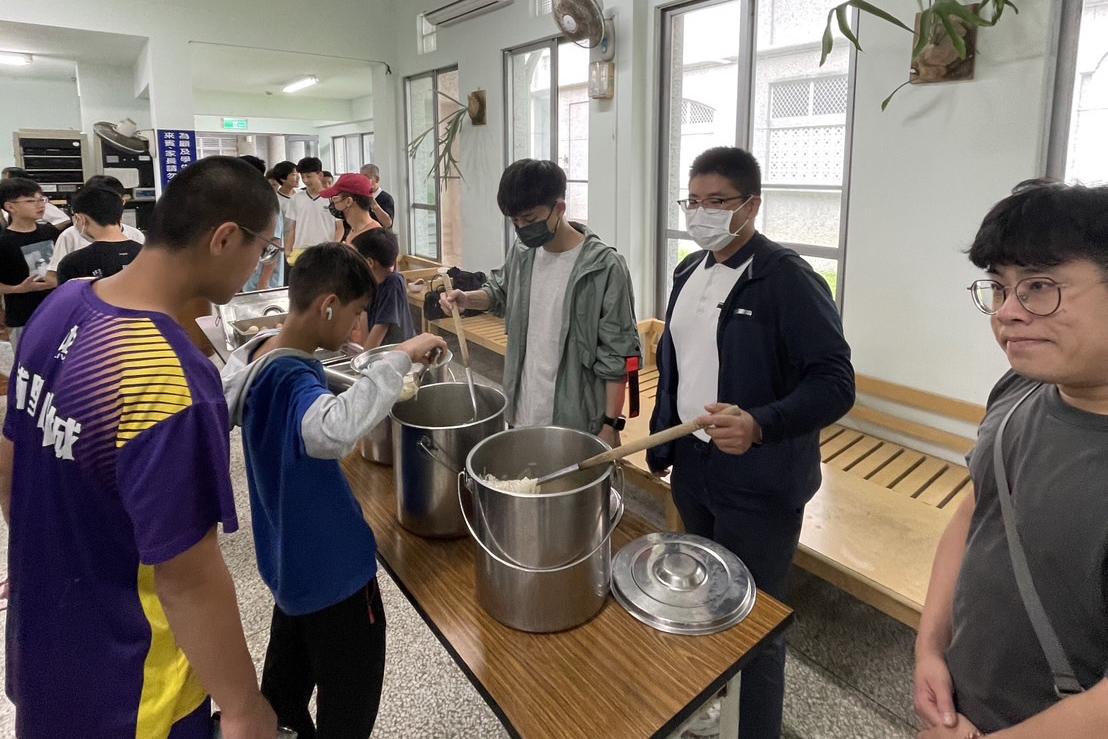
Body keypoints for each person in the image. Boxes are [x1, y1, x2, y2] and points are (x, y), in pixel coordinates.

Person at [0, 156, 283, 739]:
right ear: (225, 238)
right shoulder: (168, 381)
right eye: (263, 248)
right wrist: (244, 706)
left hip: (42, 646)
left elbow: (11, 459)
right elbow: (188, 577)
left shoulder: (63, 303)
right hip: (133, 686)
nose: (261, 264)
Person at [646, 146, 854, 739]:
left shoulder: (785, 279)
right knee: (699, 603)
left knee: (753, 622)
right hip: (695, 468)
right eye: (694, 201)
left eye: (718, 202)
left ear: (752, 206)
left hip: (760, 482)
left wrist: (761, 422)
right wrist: (665, 445)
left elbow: (836, 383)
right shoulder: (689, 271)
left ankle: (755, 728)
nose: (702, 213)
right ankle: (714, 710)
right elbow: (679, 366)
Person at [222, 243, 446, 739]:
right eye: (356, 314)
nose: (357, 328)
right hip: (336, 575)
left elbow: (329, 391)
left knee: (281, 695)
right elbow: (328, 431)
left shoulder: (263, 359)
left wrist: (389, 360)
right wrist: (403, 353)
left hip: (290, 568)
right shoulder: (290, 377)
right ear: (328, 305)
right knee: (349, 707)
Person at [914, 182, 1108, 739]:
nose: (1008, 314)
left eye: (1040, 287)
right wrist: (930, 648)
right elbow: (976, 512)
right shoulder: (1019, 388)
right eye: (999, 290)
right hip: (960, 710)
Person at [439, 158, 640, 445]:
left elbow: (618, 353)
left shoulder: (604, 267)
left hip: (575, 417)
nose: (522, 228)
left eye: (530, 219)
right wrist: (467, 299)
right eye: (515, 221)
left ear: (559, 208)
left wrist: (611, 424)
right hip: (522, 404)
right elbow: (501, 293)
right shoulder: (523, 253)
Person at [45, 175, 145, 287]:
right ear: (120, 215)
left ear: (81, 219)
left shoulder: (72, 262)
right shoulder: (148, 254)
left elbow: (69, 299)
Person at [0, 177, 57, 351]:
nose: (39, 205)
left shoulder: (50, 231)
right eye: (31, 201)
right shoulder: (3, 242)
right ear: (10, 207)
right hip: (23, 317)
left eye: (41, 199)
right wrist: (19, 289)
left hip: (57, 312)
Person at [352, 228, 415, 348]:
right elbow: (365, 327)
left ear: (370, 263)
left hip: (399, 357)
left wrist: (365, 359)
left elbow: (381, 327)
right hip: (381, 354)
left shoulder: (393, 282)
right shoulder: (370, 285)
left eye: (357, 260)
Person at [285, 157, 340, 267]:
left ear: (320, 175)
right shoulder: (296, 198)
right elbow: (293, 227)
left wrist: (334, 246)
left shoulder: (333, 198)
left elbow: (340, 227)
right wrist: (288, 250)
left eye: (309, 176)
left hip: (325, 251)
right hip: (300, 251)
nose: (305, 180)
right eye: (303, 177)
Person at [321, 173, 381, 247]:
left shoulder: (373, 237)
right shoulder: (355, 231)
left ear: (348, 201)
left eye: (335, 196)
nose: (332, 201)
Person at [2, 167, 70, 229]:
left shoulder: (39, 204)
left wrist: (48, 233)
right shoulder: (8, 203)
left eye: (5, 180)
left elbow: (64, 220)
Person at [359, 164, 395, 229]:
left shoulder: (386, 198)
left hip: (381, 237)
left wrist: (374, 205)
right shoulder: (360, 197)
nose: (362, 181)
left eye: (366, 178)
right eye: (361, 178)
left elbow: (388, 223)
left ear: (376, 179)